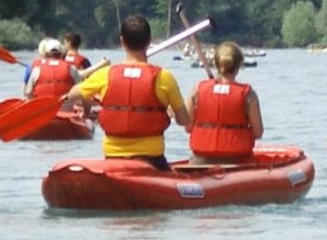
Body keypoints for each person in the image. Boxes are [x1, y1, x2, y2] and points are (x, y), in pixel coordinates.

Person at [65, 14, 190, 170]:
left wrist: (98, 97)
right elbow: (184, 120)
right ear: (149, 41)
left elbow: (71, 95)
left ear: (122, 41)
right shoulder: (164, 78)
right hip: (152, 160)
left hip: (112, 159)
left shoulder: (105, 75)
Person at [186, 41, 264, 164]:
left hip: (201, 160)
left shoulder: (197, 90)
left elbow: (188, 127)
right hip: (238, 160)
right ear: (239, 66)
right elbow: (258, 132)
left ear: (216, 64)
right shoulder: (249, 95)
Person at [24, 38, 81, 111]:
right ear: (61, 54)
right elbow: (84, 92)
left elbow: (28, 94)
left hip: (43, 113)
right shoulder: (72, 69)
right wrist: (86, 113)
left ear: (46, 54)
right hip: (66, 113)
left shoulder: (36, 70)